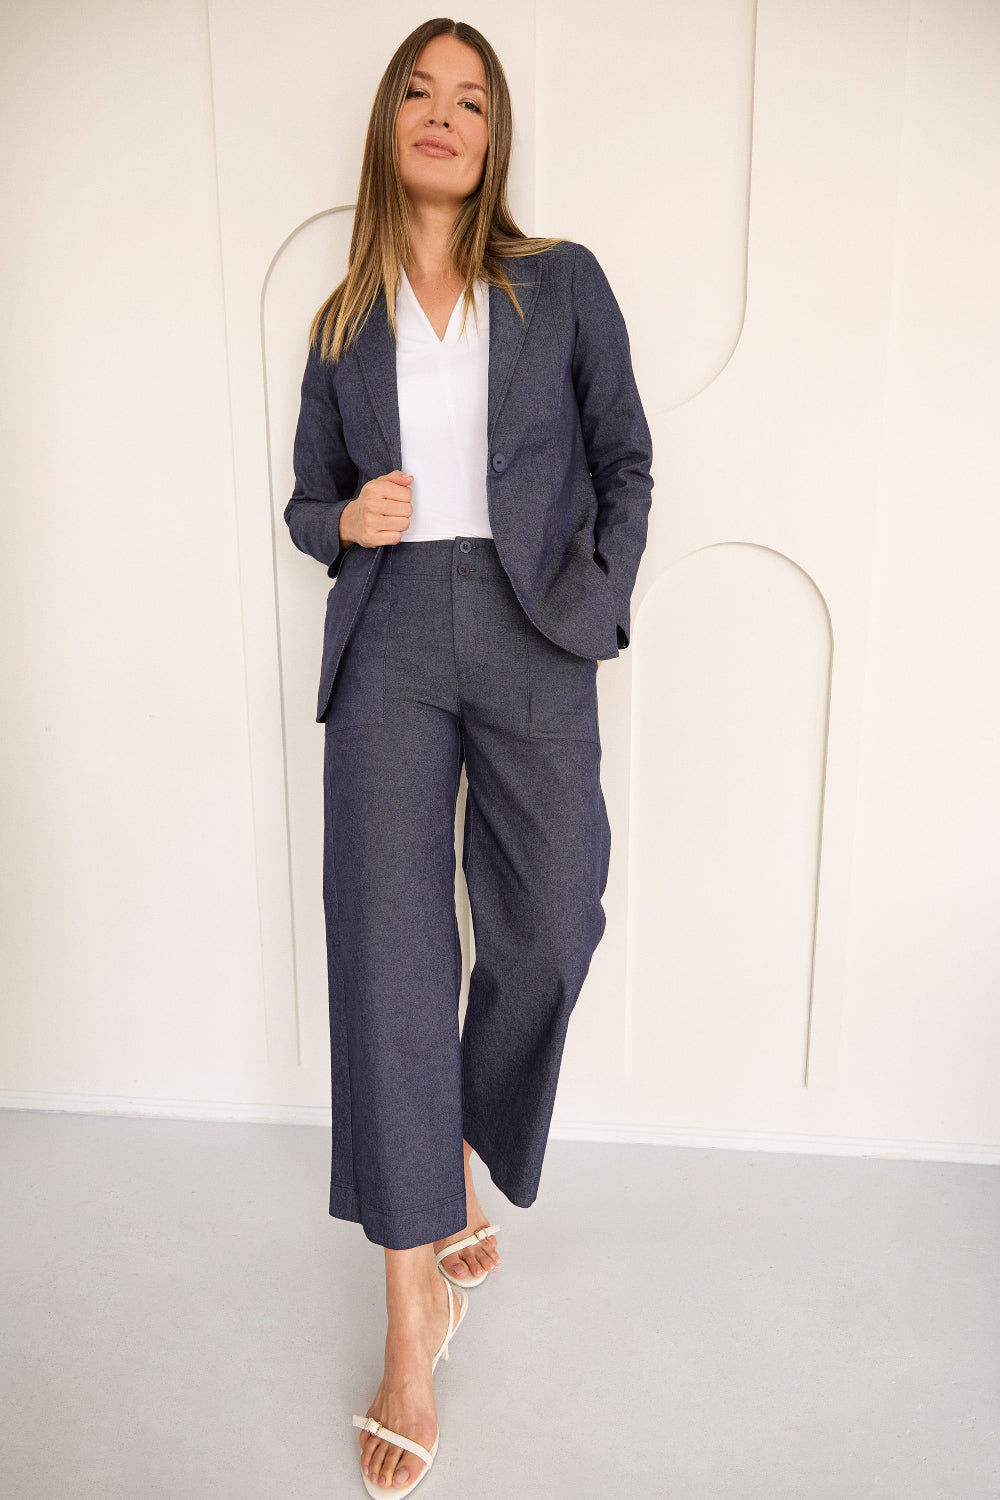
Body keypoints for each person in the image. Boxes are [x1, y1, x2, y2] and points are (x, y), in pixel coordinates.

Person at [284, 18, 653, 1495]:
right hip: (389, 641)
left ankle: (449, 1158)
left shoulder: (560, 284)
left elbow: (625, 454)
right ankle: (407, 1306)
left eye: (472, 100)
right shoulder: (340, 319)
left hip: (529, 627)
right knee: (384, 955)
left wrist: (600, 596)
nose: (444, 117)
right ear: (388, 126)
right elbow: (307, 502)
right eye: (420, 95)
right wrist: (341, 524)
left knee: (554, 924)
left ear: (495, 139)